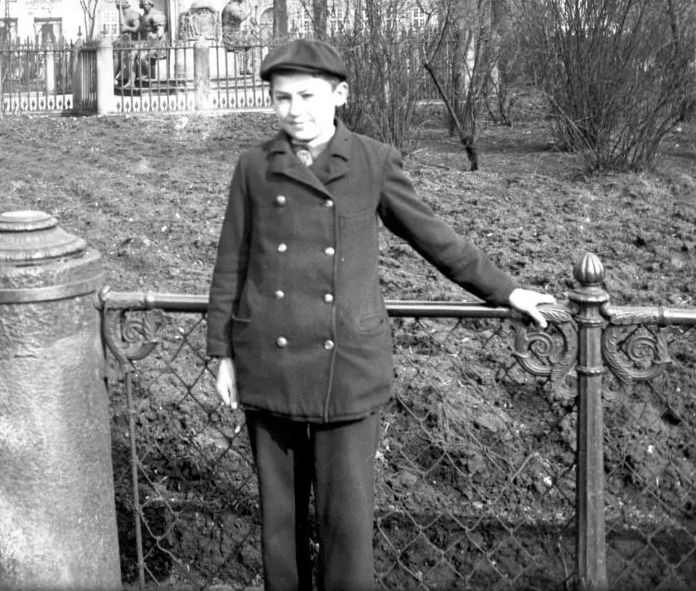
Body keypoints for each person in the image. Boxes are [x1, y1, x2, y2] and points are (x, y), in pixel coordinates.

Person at [206, 38, 555, 591]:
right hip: (266, 363)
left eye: (307, 96)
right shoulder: (253, 167)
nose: (294, 110)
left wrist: (506, 291)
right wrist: (222, 353)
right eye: (281, 98)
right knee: (279, 530)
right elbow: (232, 263)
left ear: (339, 95)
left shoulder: (372, 161)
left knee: (347, 531)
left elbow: (433, 237)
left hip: (344, 367)